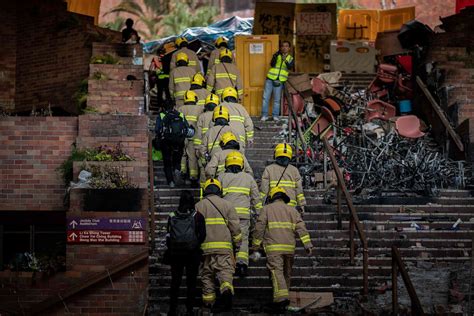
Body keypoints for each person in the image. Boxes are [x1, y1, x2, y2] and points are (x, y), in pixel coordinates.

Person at [251, 186, 313, 313]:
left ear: (272, 197)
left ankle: (281, 300)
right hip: (289, 248)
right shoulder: (292, 211)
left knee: (276, 272)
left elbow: (259, 228)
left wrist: (256, 246)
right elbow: (301, 228)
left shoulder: (266, 209)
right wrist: (307, 245)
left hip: (274, 248)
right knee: (287, 273)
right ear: (284, 197)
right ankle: (283, 298)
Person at [196, 179, 241, 312]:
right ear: (219, 190)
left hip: (205, 248)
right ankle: (226, 291)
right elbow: (235, 228)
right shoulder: (228, 205)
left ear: (206, 190)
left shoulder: (198, 206)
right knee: (225, 272)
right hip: (224, 248)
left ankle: (209, 303)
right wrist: (237, 244)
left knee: (206, 275)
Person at [218, 151, 261, 277]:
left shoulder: (221, 177)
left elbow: (216, 194)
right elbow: (256, 198)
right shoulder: (248, 178)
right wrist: (259, 213)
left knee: (227, 239)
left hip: (226, 215)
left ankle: (227, 265)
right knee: (243, 239)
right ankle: (241, 265)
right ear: (241, 164)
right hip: (243, 216)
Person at [166, 190, 206, 316]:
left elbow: (168, 236)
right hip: (192, 254)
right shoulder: (198, 216)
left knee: (175, 282)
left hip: (176, 254)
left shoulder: (172, 215)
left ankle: (172, 310)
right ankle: (189, 309)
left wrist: (173, 247)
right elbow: (203, 235)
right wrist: (194, 245)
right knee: (191, 282)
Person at [260, 143, 306, 211]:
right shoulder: (294, 170)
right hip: (291, 207)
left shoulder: (268, 169)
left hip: (274, 206)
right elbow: (299, 192)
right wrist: (302, 207)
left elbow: (264, 191)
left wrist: (261, 207)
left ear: (275, 154)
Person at [155, 103, 191, 187]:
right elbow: (187, 127)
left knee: (167, 162)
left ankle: (171, 181)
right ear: (174, 106)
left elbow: (157, 129)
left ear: (163, 108)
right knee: (177, 159)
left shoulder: (161, 115)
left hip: (166, 142)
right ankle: (176, 169)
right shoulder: (180, 115)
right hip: (179, 142)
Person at [261, 41, 294, 122]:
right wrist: (276, 55)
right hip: (270, 78)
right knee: (266, 98)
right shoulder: (277, 55)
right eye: (283, 46)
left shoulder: (290, 58)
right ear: (281, 48)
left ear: (289, 48)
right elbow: (272, 64)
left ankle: (275, 116)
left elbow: (290, 67)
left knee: (277, 99)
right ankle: (264, 115)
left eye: (286, 46)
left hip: (279, 81)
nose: (284, 47)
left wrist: (285, 60)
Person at [177, 90, 204, 186]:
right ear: (195, 99)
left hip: (183, 136)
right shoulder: (200, 109)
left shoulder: (181, 109)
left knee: (183, 155)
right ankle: (193, 176)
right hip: (194, 136)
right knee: (192, 157)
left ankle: (182, 171)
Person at [194, 94, 220, 187]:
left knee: (203, 169)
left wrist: (197, 149)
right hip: (216, 149)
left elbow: (198, 134)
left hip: (204, 148)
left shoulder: (202, 116)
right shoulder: (219, 117)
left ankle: (203, 189)